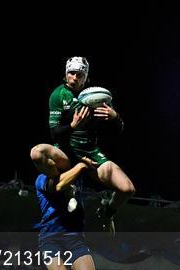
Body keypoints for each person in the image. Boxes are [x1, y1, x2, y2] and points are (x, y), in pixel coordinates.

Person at [30, 56, 135, 235]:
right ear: (66, 74)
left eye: (79, 74)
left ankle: (107, 212)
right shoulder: (58, 95)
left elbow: (119, 131)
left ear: (86, 76)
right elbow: (54, 133)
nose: (75, 77)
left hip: (91, 153)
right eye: (71, 73)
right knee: (37, 152)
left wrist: (114, 116)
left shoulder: (97, 96)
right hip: (66, 153)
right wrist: (72, 126)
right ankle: (65, 187)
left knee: (127, 189)